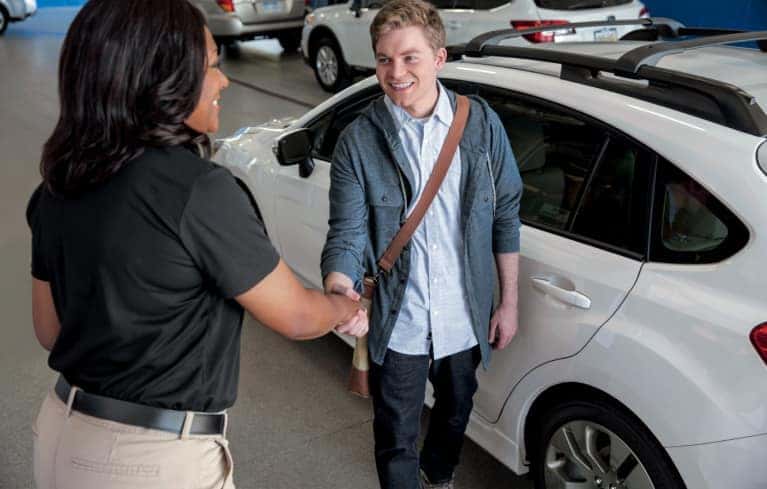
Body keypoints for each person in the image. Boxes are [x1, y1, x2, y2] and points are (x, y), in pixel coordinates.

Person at [26, 1, 367, 488]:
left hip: (62, 437)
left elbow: (49, 330)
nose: (223, 81)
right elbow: (295, 315)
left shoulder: (57, 186)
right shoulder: (198, 190)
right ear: (160, 77)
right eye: (209, 65)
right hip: (149, 461)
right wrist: (343, 308)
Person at [321, 1, 523, 487]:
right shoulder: (358, 140)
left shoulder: (481, 126)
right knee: (395, 435)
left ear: (439, 57)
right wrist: (338, 288)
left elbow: (505, 214)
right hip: (400, 319)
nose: (396, 72)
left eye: (410, 57)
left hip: (463, 313)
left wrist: (508, 302)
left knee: (456, 415)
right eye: (385, 59)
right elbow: (347, 232)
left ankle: (440, 475)